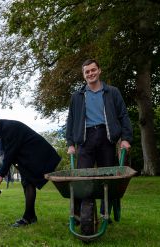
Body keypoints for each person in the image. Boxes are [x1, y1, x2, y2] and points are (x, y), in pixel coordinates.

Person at [66, 59, 132, 224]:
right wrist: (70, 144)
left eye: (93, 70)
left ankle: (104, 214)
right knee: (81, 179)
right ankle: (80, 215)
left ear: (99, 70)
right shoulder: (77, 96)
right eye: (87, 72)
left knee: (107, 178)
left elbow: (123, 115)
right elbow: (71, 120)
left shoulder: (112, 92)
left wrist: (126, 139)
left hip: (106, 138)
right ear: (83, 75)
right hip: (85, 139)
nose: (90, 73)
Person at [0, 113, 61, 227]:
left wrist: (2, 174)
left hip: (42, 156)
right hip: (30, 160)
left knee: (59, 181)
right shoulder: (1, 132)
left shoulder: (8, 128)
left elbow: (10, 153)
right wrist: (2, 172)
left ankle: (77, 212)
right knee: (27, 183)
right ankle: (30, 217)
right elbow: (7, 154)